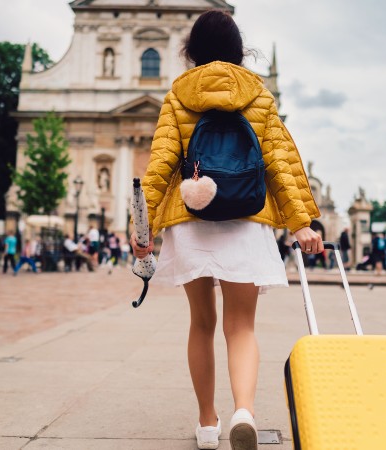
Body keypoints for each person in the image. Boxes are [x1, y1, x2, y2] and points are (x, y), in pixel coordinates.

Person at [130, 11, 322, 450]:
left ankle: (207, 424)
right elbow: (280, 162)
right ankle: (244, 411)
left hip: (190, 218)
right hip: (247, 216)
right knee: (242, 327)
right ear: (240, 51)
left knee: (201, 324)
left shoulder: (178, 93)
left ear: (191, 52)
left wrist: (142, 227)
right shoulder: (258, 94)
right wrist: (302, 222)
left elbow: (159, 166)